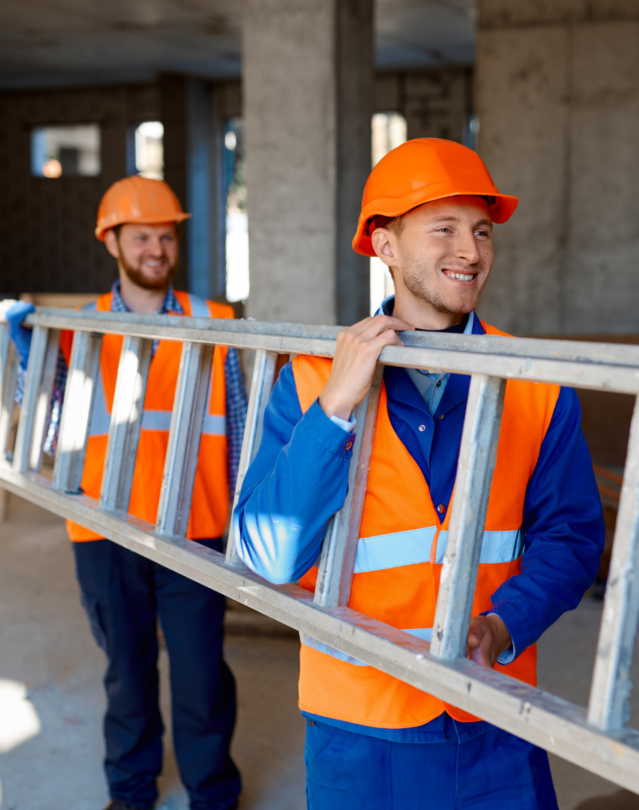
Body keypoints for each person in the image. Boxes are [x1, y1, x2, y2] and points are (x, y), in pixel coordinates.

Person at [233, 138, 604, 809]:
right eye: (444, 229)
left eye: (481, 230)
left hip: (494, 712)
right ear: (385, 246)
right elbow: (270, 554)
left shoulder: (533, 380)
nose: (470, 251)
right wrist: (335, 410)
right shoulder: (314, 380)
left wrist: (502, 625)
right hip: (359, 725)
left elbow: (572, 537)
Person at [6, 176, 245, 810]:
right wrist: (30, 360)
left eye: (165, 236)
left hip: (195, 526)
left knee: (200, 674)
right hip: (104, 527)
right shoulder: (80, 328)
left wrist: (248, 522)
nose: (157, 249)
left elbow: (240, 427)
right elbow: (51, 429)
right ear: (112, 241)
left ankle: (213, 795)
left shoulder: (214, 321)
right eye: (141, 236)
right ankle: (131, 791)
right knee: (126, 672)